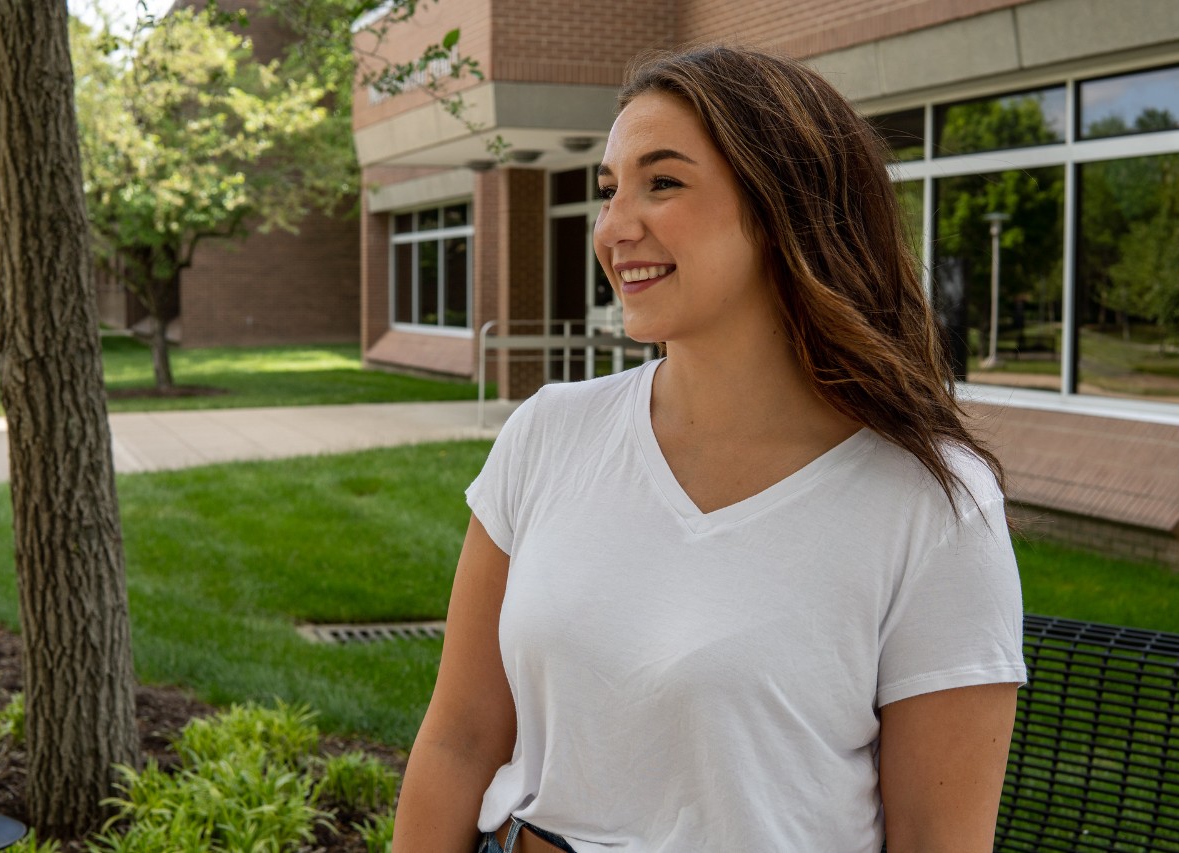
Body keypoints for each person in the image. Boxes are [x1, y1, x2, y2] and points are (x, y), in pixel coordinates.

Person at [392, 45, 1026, 853]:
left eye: (664, 182)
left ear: (783, 210)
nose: (616, 229)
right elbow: (461, 739)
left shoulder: (934, 503)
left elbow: (939, 839)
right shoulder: (548, 433)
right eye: (610, 190)